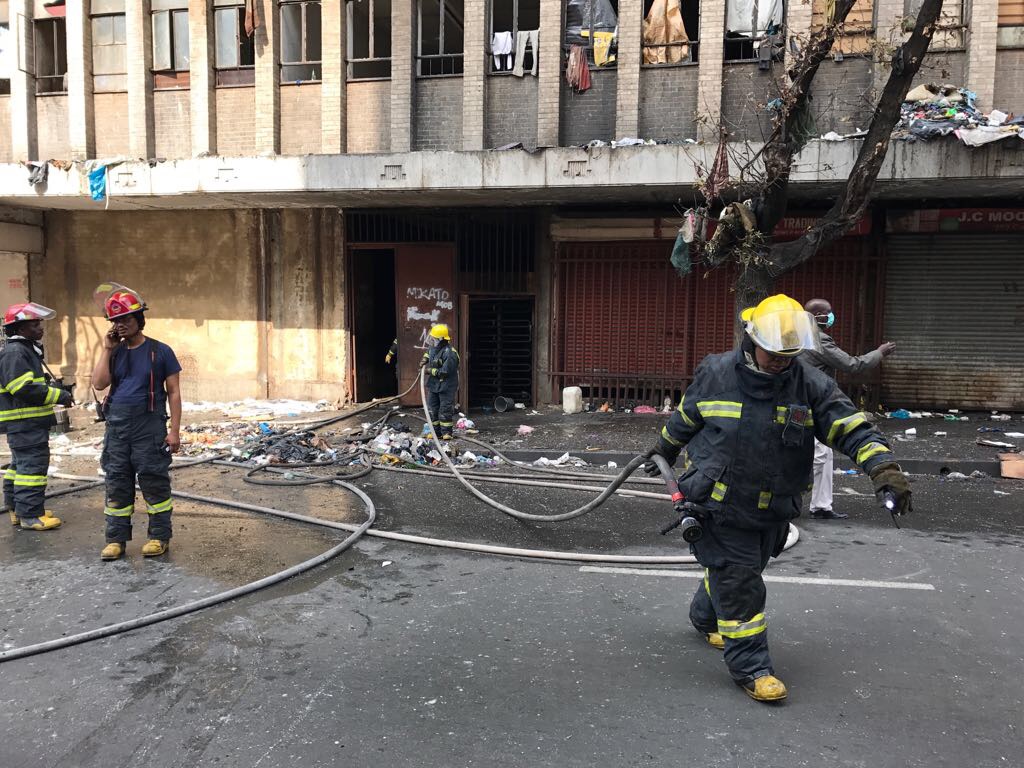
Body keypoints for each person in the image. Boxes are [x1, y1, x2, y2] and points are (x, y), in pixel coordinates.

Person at [648, 294, 911, 703]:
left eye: (788, 356)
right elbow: (686, 417)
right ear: (752, 339)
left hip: (772, 505)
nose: (780, 363)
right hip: (717, 500)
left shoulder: (809, 383)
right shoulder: (717, 372)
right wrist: (662, 451)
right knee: (740, 580)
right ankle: (752, 667)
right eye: (773, 354)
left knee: (737, 568)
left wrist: (883, 468)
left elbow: (850, 427)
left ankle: (705, 617)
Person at [90, 286, 182, 561]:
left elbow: (174, 392)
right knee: (117, 482)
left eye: (126, 319)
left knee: (154, 482)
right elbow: (99, 383)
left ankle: (159, 537)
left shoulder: (161, 351)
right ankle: (115, 540)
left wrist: (174, 431)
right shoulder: (115, 352)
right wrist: (107, 349)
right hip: (117, 428)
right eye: (116, 321)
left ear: (139, 319)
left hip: (149, 427)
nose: (121, 325)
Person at [801, 298, 897, 520]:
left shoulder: (800, 336)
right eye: (828, 313)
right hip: (816, 406)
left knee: (820, 455)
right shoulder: (818, 339)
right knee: (820, 456)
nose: (831, 316)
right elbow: (853, 365)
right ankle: (817, 505)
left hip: (803, 404)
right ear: (818, 317)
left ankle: (818, 504)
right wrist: (879, 352)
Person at [0, 303, 73, 531]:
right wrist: (59, 395)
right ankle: (31, 515)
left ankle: (18, 509)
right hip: (25, 423)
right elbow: (22, 388)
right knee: (32, 468)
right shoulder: (16, 353)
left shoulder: (21, 350)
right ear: (20, 328)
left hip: (25, 424)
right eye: (34, 324)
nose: (40, 328)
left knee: (20, 466)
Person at [421, 324, 460, 440]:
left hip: (446, 386)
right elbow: (429, 352)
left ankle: (446, 433)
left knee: (444, 409)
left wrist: (429, 371)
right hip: (434, 384)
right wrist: (424, 359)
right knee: (433, 408)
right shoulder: (434, 347)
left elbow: (444, 372)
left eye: (434, 338)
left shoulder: (450, 353)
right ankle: (436, 433)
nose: (431, 340)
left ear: (441, 339)